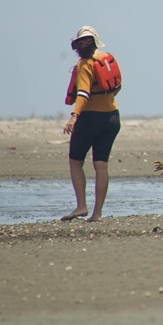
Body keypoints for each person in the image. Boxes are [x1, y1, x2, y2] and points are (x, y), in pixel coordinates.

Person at [62, 26, 122, 222]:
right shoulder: (107, 59)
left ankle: (81, 207)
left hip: (90, 119)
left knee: (75, 161)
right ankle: (97, 214)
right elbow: (117, 87)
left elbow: (83, 93)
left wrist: (74, 115)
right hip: (112, 118)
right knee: (101, 166)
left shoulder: (85, 64)